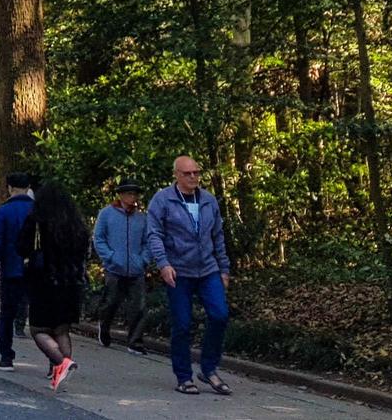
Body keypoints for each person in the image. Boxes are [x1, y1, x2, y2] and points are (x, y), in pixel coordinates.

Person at [146, 155, 233, 396]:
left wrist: (224, 268)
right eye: (188, 173)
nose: (193, 177)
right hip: (179, 270)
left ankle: (209, 367)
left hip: (207, 269)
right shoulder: (163, 200)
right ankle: (184, 376)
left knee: (220, 315)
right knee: (182, 324)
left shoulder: (208, 200)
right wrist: (163, 264)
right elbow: (154, 234)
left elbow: (218, 236)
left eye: (196, 172)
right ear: (176, 175)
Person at [20, 182, 91, 390]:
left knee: (38, 329)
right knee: (61, 329)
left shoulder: (36, 221)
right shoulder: (76, 224)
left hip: (44, 282)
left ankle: (61, 363)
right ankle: (61, 371)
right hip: (71, 283)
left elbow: (21, 247)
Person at [94, 180, 151, 353]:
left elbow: (148, 242)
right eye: (128, 194)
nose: (132, 197)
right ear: (121, 195)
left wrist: (143, 260)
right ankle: (104, 327)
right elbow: (99, 238)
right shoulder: (106, 214)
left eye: (134, 194)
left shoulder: (142, 218)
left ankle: (135, 341)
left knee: (139, 306)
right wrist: (110, 257)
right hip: (114, 268)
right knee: (111, 302)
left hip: (136, 269)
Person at [0, 172, 35, 370]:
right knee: (41, 316)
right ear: (28, 187)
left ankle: (6, 356)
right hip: (36, 270)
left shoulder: (3, 212)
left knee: (7, 313)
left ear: (9, 188)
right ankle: (52, 361)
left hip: (11, 269)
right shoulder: (38, 211)